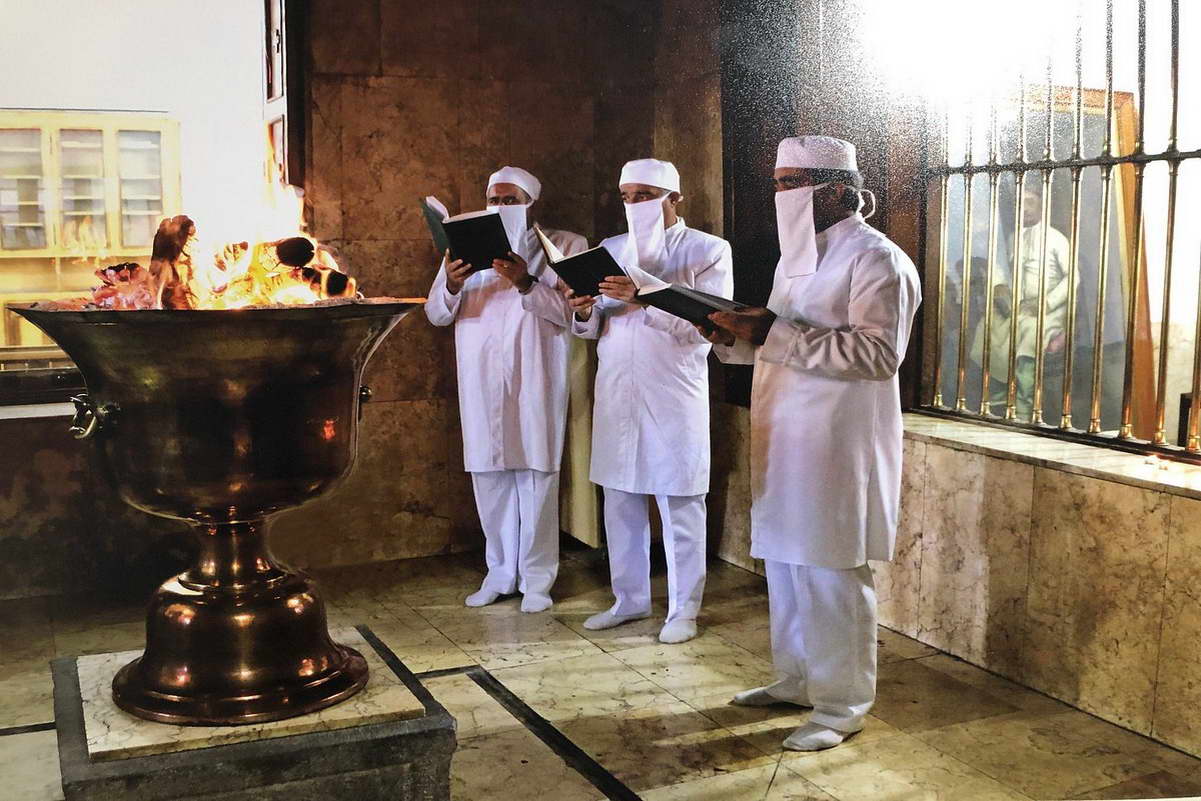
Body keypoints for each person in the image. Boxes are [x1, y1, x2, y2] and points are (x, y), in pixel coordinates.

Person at [703, 136, 921, 750]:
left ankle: (841, 705)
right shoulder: (794, 258)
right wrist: (729, 334)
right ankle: (796, 679)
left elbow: (878, 355)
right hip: (786, 437)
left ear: (839, 191)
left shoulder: (877, 259)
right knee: (789, 563)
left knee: (829, 571)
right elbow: (778, 344)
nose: (782, 195)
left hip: (835, 443)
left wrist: (770, 330)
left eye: (794, 183)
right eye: (778, 182)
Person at [566, 158, 733, 644]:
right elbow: (593, 326)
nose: (633, 205)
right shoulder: (612, 250)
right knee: (619, 497)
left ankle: (685, 609)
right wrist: (582, 310)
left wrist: (647, 296)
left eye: (644, 195)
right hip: (618, 386)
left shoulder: (708, 250)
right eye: (627, 197)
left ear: (674, 199)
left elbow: (710, 328)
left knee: (680, 499)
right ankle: (630, 599)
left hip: (673, 388)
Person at [424, 166, 586, 613]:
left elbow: (575, 316)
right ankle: (499, 572)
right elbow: (437, 313)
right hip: (480, 377)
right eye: (494, 200)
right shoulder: (464, 249)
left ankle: (537, 580)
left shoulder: (565, 246)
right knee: (489, 473)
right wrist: (453, 282)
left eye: (510, 200)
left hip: (537, 374)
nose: (499, 208)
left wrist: (524, 281)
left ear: (531, 203)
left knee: (537, 474)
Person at [972, 179, 1075, 416]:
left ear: (1042, 205)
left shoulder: (1056, 239)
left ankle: (1025, 409)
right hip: (1019, 307)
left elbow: (1073, 279)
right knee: (989, 329)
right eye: (1021, 203)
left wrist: (1045, 303)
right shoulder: (1013, 238)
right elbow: (1005, 273)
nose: (1026, 208)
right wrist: (1001, 290)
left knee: (1029, 332)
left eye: (1031, 202)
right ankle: (997, 402)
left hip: (1049, 310)